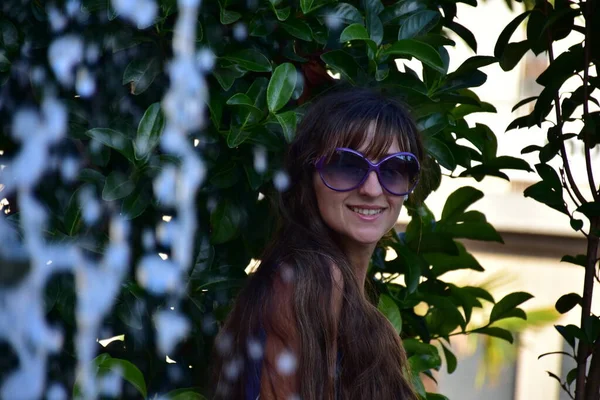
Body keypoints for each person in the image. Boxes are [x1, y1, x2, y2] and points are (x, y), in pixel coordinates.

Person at [213, 87, 423, 400]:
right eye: (346, 165)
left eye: (394, 169)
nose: (371, 188)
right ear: (308, 177)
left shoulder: (347, 299)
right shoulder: (313, 282)